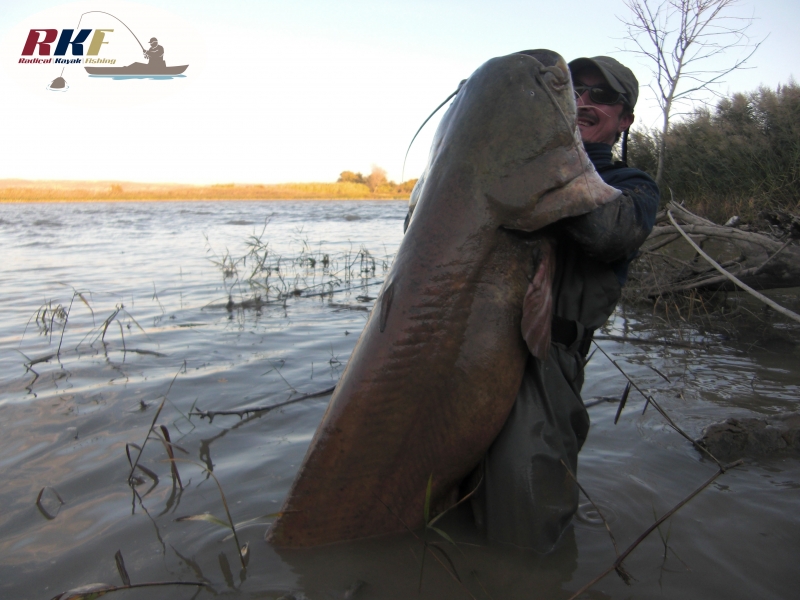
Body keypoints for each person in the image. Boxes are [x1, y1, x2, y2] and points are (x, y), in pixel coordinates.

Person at [466, 55, 660, 551]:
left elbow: (606, 232)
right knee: (448, 495)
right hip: (468, 346)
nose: (583, 101)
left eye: (601, 96)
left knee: (525, 517)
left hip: (544, 362)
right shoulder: (513, 168)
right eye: (574, 91)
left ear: (625, 119)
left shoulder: (634, 187)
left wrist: (547, 161)